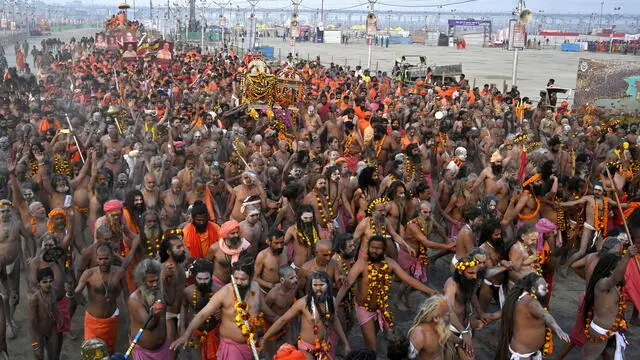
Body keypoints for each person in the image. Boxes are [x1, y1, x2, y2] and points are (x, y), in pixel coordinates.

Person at [336, 235, 438, 350]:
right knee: (372, 346)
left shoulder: (390, 263)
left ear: (384, 250)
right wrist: (335, 305)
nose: (374, 251)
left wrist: (430, 291)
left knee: (372, 338)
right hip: (364, 309)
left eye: (378, 248)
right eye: (372, 247)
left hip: (381, 308)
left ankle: (366, 352)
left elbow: (408, 279)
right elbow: (347, 284)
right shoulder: (361, 263)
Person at [170, 254, 274, 359]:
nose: (238, 282)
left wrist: (279, 320)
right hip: (232, 348)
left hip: (251, 347)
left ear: (251, 278)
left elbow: (264, 310)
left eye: (243, 279)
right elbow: (203, 314)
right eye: (236, 278)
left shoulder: (255, 288)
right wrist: (186, 335)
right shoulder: (225, 292)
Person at [264, 270, 351, 359]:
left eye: (321, 285)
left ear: (328, 286)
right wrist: (264, 338)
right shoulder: (302, 303)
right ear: (311, 286)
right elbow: (283, 320)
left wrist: (345, 343)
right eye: (315, 285)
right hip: (306, 348)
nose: (318, 288)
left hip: (324, 347)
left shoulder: (331, 301)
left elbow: (334, 320)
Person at [581, 245, 637, 360]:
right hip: (600, 330)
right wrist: (627, 257)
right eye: (619, 267)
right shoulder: (603, 284)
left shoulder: (615, 286)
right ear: (611, 270)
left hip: (614, 331)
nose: (623, 271)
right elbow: (616, 277)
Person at [496, 273, 570, 360]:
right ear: (533, 289)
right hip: (523, 356)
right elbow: (545, 315)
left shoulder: (528, 298)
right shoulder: (531, 302)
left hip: (530, 353)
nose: (547, 291)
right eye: (544, 289)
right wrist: (558, 329)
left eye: (547, 287)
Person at [74, 243, 128, 353]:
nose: (103, 262)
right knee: (91, 353)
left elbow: (127, 295)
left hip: (111, 320)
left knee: (109, 352)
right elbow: (77, 291)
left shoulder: (119, 273)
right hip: (93, 322)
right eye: (100, 259)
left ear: (112, 257)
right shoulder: (89, 274)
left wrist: (131, 316)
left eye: (106, 258)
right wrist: (72, 293)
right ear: (96, 258)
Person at [128, 259, 169, 359]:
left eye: (157, 280)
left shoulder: (160, 291)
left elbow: (171, 301)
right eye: (151, 281)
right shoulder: (135, 299)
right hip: (144, 352)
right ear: (142, 281)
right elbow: (149, 326)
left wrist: (170, 279)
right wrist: (154, 315)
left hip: (163, 349)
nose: (155, 284)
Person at [180, 259, 220, 360]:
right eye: (199, 279)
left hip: (215, 333)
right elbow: (183, 308)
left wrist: (221, 313)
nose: (203, 282)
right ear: (194, 277)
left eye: (206, 278)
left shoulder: (219, 290)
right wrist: (182, 331)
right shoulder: (188, 291)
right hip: (195, 333)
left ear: (211, 276)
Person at [159, 232, 187, 360]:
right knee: (171, 352)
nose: (182, 249)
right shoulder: (163, 269)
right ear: (169, 252)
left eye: (182, 246)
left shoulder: (180, 267)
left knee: (178, 351)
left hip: (181, 312)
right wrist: (164, 279)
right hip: (168, 315)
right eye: (178, 247)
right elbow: (164, 297)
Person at [263, 265, 298, 357]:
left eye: (295, 277)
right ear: (282, 280)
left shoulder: (294, 287)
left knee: (290, 347)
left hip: (286, 322)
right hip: (272, 325)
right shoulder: (273, 295)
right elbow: (263, 311)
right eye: (291, 278)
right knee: (272, 354)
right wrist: (276, 319)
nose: (295, 280)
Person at [29, 267, 63, 360]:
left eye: (50, 281)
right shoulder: (35, 298)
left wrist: (60, 315)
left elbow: (55, 304)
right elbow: (31, 323)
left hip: (52, 329)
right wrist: (34, 344)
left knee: (54, 356)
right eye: (44, 282)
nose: (48, 284)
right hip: (38, 332)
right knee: (39, 357)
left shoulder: (53, 292)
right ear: (38, 283)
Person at [207, 220, 251, 286]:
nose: (236, 235)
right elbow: (208, 264)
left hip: (238, 284)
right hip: (218, 283)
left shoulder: (244, 246)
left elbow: (249, 265)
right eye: (232, 233)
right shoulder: (215, 248)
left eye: (237, 232)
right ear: (225, 235)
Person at [407, 295, 451, 360]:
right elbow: (408, 357)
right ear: (436, 318)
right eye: (447, 315)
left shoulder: (441, 329)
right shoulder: (419, 334)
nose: (450, 318)